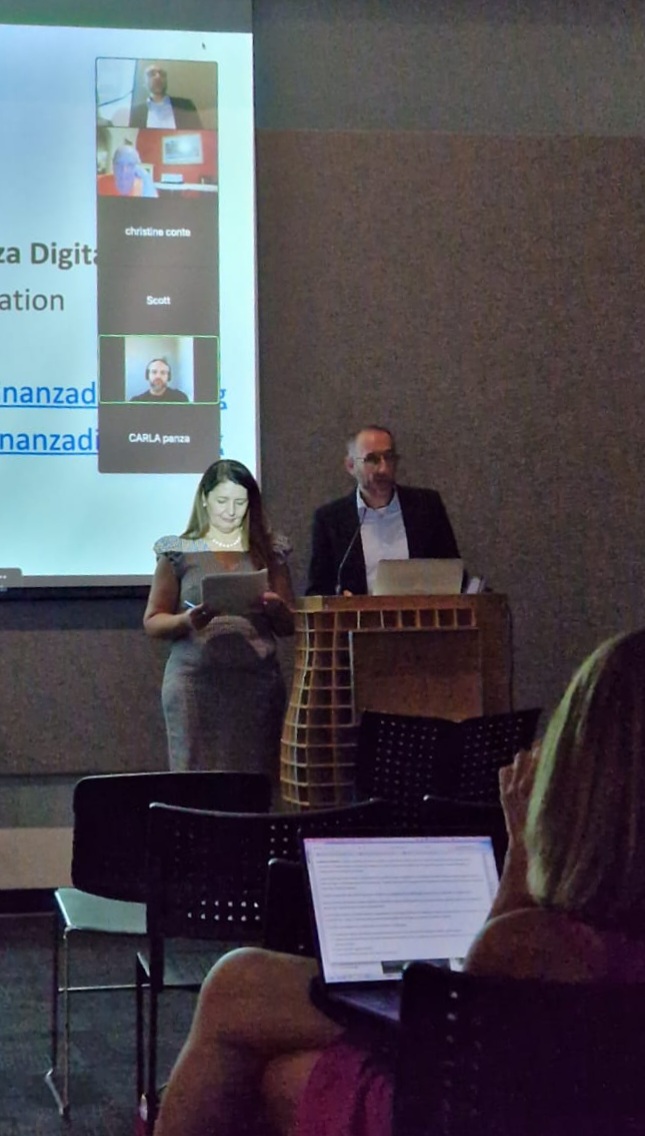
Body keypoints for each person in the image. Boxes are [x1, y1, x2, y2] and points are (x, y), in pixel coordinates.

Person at [153, 627, 645, 1136]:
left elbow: (462, 1042)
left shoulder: (537, 945)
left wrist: (522, 847)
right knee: (239, 985)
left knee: (275, 1065)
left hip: (473, 1109)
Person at [143, 459, 294, 777]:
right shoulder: (178, 551)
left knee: (254, 783)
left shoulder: (269, 551)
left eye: (240, 502)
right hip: (194, 684)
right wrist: (187, 620)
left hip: (256, 684)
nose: (230, 511)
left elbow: (289, 624)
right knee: (194, 782)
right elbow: (153, 620)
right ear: (204, 500)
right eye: (222, 501)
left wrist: (276, 608)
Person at [306, 424, 459, 596]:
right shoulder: (330, 520)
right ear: (350, 466)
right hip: (359, 614)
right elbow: (317, 591)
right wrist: (339, 602)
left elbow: (453, 574)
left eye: (389, 457)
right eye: (372, 459)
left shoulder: (426, 507)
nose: (383, 468)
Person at [129, 62, 203, 129]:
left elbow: (199, 134)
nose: (158, 76)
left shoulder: (186, 105)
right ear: (144, 84)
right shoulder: (136, 113)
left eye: (162, 74)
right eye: (151, 74)